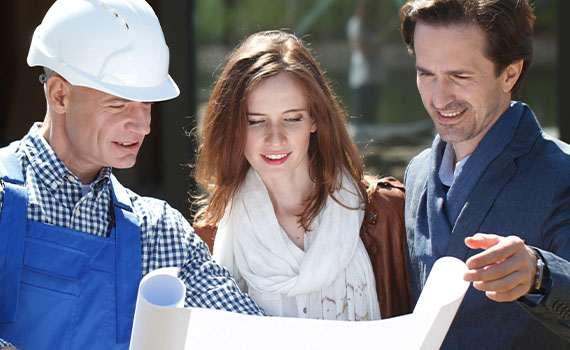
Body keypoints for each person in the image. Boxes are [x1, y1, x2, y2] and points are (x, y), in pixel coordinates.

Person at [0, 0, 264, 349]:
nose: (143, 126)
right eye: (119, 103)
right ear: (60, 94)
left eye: (147, 104)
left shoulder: (159, 234)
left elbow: (253, 338)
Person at [193, 30, 413, 321]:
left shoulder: (384, 214)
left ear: (315, 120)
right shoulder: (209, 235)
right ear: (235, 127)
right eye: (256, 121)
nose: (275, 138)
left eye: (292, 118)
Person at [399, 0, 570, 348]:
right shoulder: (416, 172)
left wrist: (540, 274)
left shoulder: (562, 173)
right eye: (425, 74)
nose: (438, 97)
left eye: (459, 76)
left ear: (510, 73)